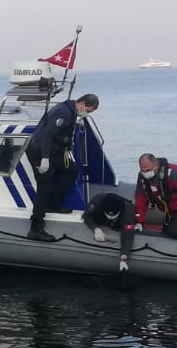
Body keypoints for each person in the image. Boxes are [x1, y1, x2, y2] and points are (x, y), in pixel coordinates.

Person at [25, 93, 99, 241]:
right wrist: (45, 159)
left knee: (71, 171)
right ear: (82, 104)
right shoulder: (64, 113)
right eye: (88, 111)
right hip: (40, 152)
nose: (87, 114)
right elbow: (47, 134)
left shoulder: (71, 111)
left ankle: (53, 202)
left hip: (55, 151)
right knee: (44, 187)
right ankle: (36, 228)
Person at [135, 153, 177, 239]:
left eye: (148, 170)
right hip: (169, 210)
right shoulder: (142, 177)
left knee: (174, 233)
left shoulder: (173, 173)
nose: (145, 173)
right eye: (143, 170)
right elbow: (141, 198)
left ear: (156, 165)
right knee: (165, 233)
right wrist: (139, 221)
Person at [83, 190, 138, 272]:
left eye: (114, 216)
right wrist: (96, 229)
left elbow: (128, 236)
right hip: (100, 218)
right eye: (109, 216)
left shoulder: (129, 211)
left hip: (120, 222)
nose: (112, 217)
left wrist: (124, 257)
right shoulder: (96, 202)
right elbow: (86, 216)